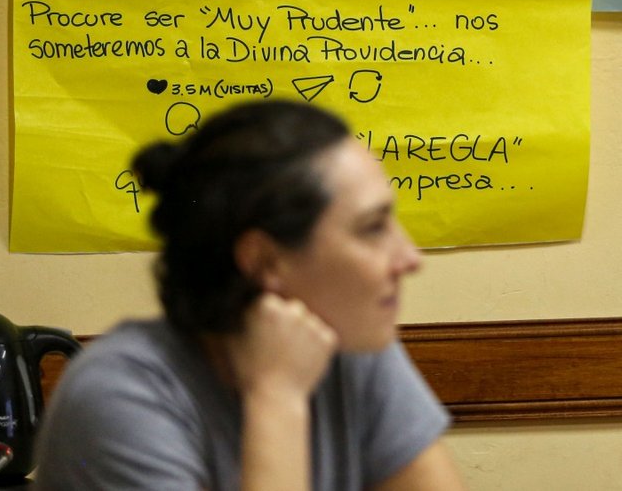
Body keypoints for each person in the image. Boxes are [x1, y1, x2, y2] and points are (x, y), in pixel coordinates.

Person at [36, 100, 467, 491]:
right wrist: (278, 395)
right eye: (373, 228)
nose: (410, 258)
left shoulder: (351, 341)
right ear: (264, 261)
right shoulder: (118, 396)